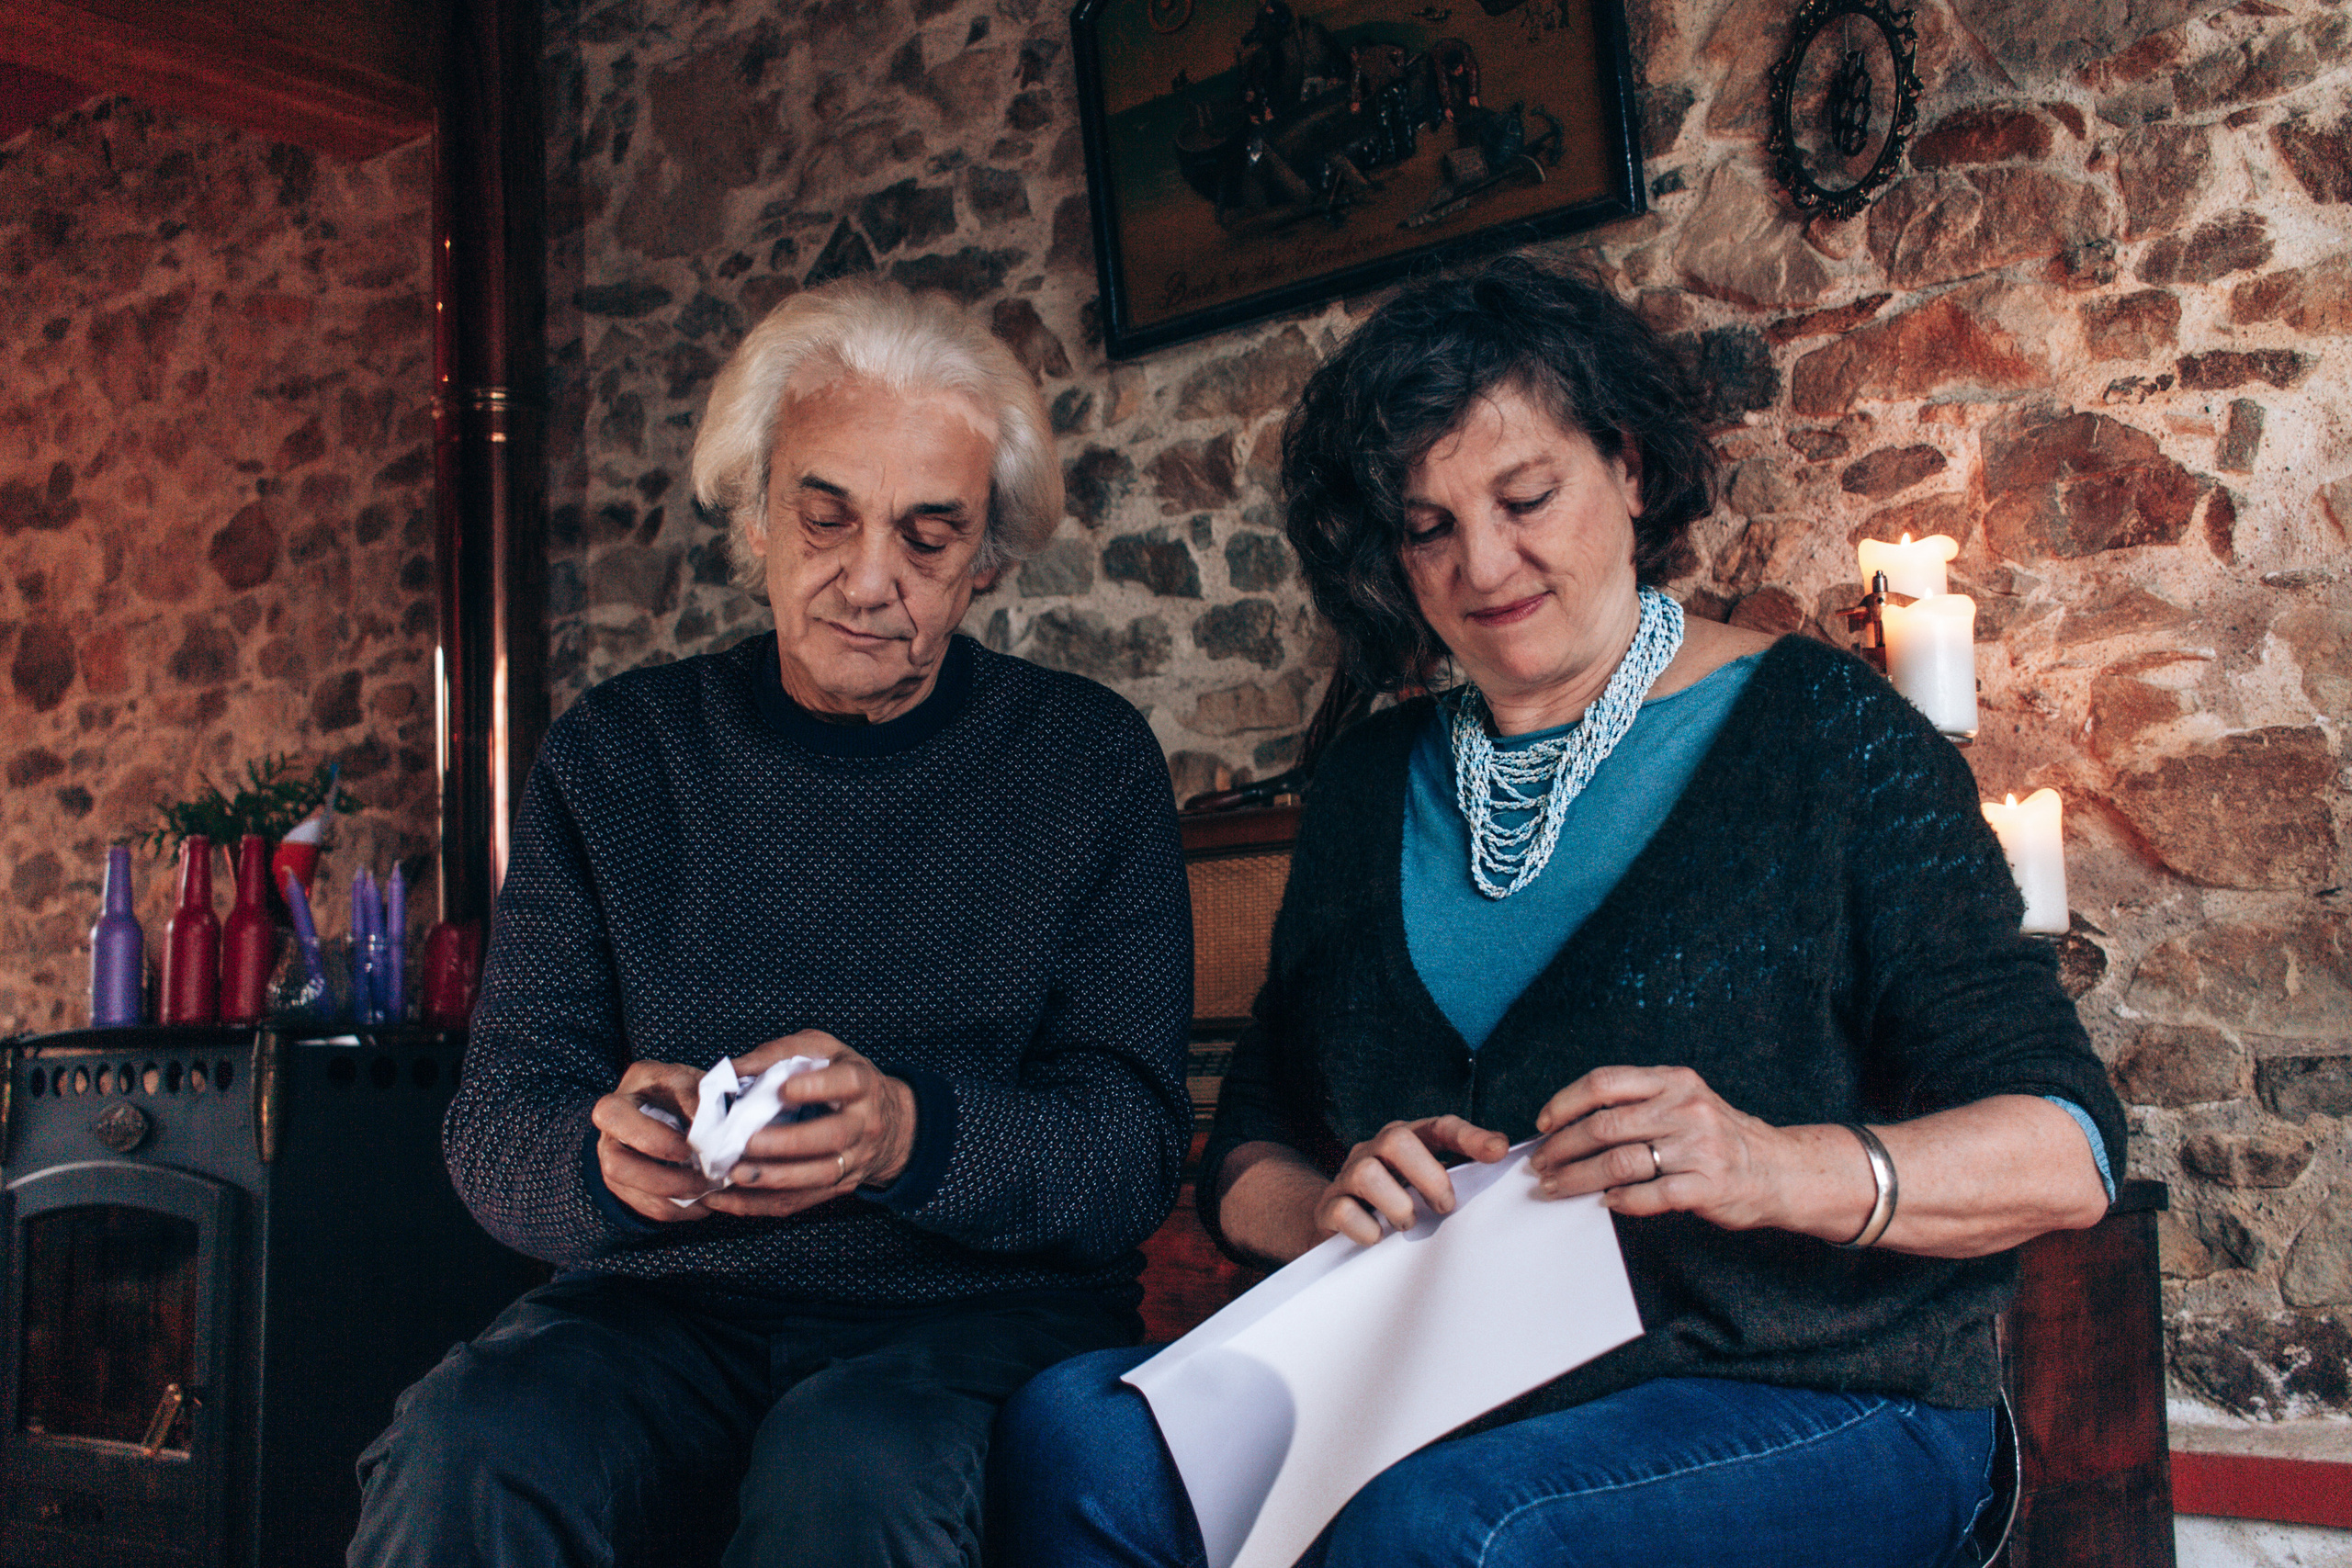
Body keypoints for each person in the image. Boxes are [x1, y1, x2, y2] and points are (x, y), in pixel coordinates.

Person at [992, 256, 2123, 1568]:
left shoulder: (1832, 741)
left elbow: (2069, 1150)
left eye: (1526, 497)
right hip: (1440, 1384)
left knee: (1447, 1530)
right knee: (1070, 1437)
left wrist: (1770, 1162)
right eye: (1427, 526)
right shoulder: (1369, 785)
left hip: (1810, 1392)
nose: (1483, 561)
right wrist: (1330, 1208)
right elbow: (1250, 1144)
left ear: (1631, 471)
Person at [349, 277, 1193, 1568]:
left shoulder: (1086, 763)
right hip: (666, 1311)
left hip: (973, 1319)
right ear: (754, 520)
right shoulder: (617, 758)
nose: (869, 579)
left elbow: (1128, 1150)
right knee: (470, 1439)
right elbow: (498, 1124)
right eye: (824, 517)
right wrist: (603, 1169)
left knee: (852, 1465)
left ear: (987, 560)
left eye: (927, 535)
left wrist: (910, 1132)